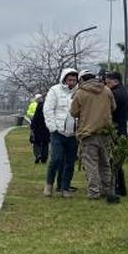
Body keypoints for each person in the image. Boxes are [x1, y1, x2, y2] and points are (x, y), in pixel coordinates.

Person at [70, 71, 119, 203]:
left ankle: (94, 191)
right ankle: (107, 189)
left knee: (91, 164)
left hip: (88, 133)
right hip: (105, 132)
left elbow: (73, 112)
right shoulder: (107, 91)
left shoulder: (80, 93)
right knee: (105, 163)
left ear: (81, 80)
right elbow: (113, 107)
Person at [43, 68, 80, 197]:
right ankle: (49, 185)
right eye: (69, 79)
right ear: (64, 79)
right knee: (56, 159)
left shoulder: (79, 92)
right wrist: (52, 127)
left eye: (74, 80)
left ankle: (65, 188)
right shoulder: (55, 90)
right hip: (58, 132)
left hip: (73, 133)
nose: (72, 82)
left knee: (70, 162)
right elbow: (48, 109)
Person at [105, 71, 128, 196]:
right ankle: (121, 188)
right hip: (123, 129)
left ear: (116, 81)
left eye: (108, 82)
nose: (107, 85)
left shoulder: (114, 94)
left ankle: (117, 187)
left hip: (115, 129)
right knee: (117, 162)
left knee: (114, 162)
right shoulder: (126, 92)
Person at [29, 94, 50, 164]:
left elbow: (35, 117)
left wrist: (32, 126)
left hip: (38, 127)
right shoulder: (48, 106)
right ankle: (44, 158)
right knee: (45, 143)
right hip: (46, 127)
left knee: (36, 142)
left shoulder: (38, 106)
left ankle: (38, 154)